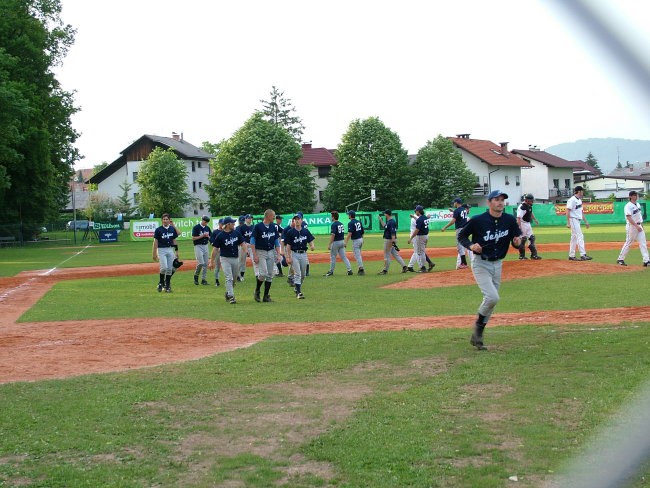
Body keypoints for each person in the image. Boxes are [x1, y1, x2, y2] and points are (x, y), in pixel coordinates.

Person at [457, 190, 522, 350]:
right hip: (481, 263)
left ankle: (477, 338)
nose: (500, 202)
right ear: (489, 202)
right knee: (492, 297)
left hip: (498, 263)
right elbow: (462, 236)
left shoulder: (509, 220)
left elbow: (517, 242)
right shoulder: (478, 220)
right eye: (497, 199)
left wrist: (517, 242)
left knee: (491, 302)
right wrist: (471, 246)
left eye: (502, 200)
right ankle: (478, 329)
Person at [209, 216, 244, 304]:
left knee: (234, 279)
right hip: (225, 259)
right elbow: (215, 248)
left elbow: (243, 243)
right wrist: (211, 261)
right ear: (228, 224)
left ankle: (228, 293)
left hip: (235, 258)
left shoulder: (236, 233)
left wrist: (245, 251)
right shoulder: (220, 235)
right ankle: (232, 296)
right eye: (232, 223)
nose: (234, 224)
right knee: (229, 277)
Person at [251, 209, 281, 302]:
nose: (274, 217)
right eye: (273, 216)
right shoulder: (258, 227)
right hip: (261, 252)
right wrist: (254, 255)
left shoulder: (273, 226)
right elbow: (252, 241)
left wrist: (278, 254)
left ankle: (266, 296)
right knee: (263, 273)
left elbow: (276, 240)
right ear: (268, 216)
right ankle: (257, 290)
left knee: (270, 274)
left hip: (271, 251)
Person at [284, 214, 316, 299]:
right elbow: (288, 246)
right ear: (293, 221)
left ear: (301, 220)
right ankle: (299, 293)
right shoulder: (290, 232)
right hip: (295, 254)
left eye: (298, 219)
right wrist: (288, 257)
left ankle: (296, 288)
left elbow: (310, 240)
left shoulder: (305, 231)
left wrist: (312, 245)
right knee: (297, 274)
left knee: (303, 275)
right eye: (295, 219)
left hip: (304, 254)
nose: (297, 220)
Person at [617, 190, 649, 266]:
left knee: (643, 243)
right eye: (634, 195)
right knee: (629, 243)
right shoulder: (628, 206)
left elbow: (639, 216)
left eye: (636, 195)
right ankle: (620, 259)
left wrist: (641, 225)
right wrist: (636, 226)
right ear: (630, 197)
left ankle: (646, 261)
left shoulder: (637, 204)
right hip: (632, 227)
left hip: (639, 226)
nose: (636, 196)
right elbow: (628, 217)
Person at [152, 213, 179, 293]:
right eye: (164, 219)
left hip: (170, 249)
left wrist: (177, 251)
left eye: (167, 219)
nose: (165, 221)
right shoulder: (158, 230)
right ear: (162, 220)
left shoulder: (172, 229)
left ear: (169, 220)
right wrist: (154, 253)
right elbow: (155, 242)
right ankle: (161, 282)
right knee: (164, 268)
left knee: (170, 269)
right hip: (161, 250)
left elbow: (174, 240)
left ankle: (167, 286)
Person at [441, 198, 470, 269]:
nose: (453, 204)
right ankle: (464, 263)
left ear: (456, 203)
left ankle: (464, 263)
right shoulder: (463, 209)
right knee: (463, 245)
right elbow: (460, 215)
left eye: (454, 202)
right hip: (465, 229)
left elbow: (453, 221)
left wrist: (445, 227)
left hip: (459, 229)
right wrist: (453, 211)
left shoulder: (457, 210)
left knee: (459, 246)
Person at [566, 185, 592, 261]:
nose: (582, 192)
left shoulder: (579, 200)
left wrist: (586, 222)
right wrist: (568, 222)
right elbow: (567, 210)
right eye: (582, 191)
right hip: (573, 219)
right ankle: (583, 254)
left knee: (574, 238)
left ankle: (571, 255)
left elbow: (581, 212)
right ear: (579, 191)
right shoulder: (572, 200)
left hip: (578, 220)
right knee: (580, 236)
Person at [377, 210, 407, 274]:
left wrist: (393, 242)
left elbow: (393, 233)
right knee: (396, 254)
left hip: (389, 240)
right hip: (391, 240)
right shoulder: (389, 222)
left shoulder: (391, 222)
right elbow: (385, 226)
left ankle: (385, 270)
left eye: (384, 214)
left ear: (387, 214)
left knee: (386, 255)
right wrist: (380, 220)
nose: (384, 215)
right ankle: (404, 266)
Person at [325, 211, 353, 276]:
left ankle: (331, 271)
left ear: (333, 217)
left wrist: (329, 244)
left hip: (336, 242)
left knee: (333, 257)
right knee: (344, 257)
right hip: (342, 241)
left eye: (331, 216)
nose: (331, 217)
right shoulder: (341, 223)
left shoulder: (334, 224)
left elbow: (333, 235)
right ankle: (349, 270)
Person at [516, 194, 542, 260]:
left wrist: (535, 219)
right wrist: (518, 228)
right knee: (523, 239)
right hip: (522, 224)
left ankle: (534, 255)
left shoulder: (529, 205)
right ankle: (522, 256)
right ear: (527, 200)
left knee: (532, 238)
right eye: (531, 201)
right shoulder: (522, 207)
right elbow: (518, 218)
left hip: (528, 224)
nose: (532, 202)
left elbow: (530, 213)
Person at [407, 205, 431, 273]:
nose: (415, 212)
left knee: (420, 253)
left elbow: (417, 230)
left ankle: (423, 268)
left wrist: (411, 238)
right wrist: (414, 217)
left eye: (416, 211)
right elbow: (419, 221)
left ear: (418, 211)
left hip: (420, 237)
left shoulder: (420, 219)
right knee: (422, 252)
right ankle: (422, 267)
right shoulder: (425, 218)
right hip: (425, 236)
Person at [191, 215, 212, 285]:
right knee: (201, 263)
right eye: (205, 221)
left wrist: (208, 237)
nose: (206, 223)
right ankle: (196, 276)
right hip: (198, 246)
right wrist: (202, 236)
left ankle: (203, 279)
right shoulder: (196, 227)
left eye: (207, 222)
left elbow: (211, 237)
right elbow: (193, 238)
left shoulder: (207, 228)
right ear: (202, 220)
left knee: (205, 264)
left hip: (205, 246)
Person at [344, 210, 365, 275]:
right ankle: (360, 268)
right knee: (358, 255)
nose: (348, 215)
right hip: (361, 239)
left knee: (357, 255)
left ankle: (361, 269)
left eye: (348, 215)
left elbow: (350, 233)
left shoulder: (350, 223)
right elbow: (362, 232)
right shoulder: (358, 222)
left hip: (356, 240)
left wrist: (345, 242)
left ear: (350, 215)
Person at [210, 218, 225, 286]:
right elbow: (212, 242)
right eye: (221, 223)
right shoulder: (215, 232)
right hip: (218, 252)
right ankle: (217, 281)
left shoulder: (226, 232)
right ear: (219, 224)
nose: (222, 225)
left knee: (226, 267)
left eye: (223, 223)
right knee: (217, 267)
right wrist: (217, 247)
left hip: (225, 252)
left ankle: (229, 280)